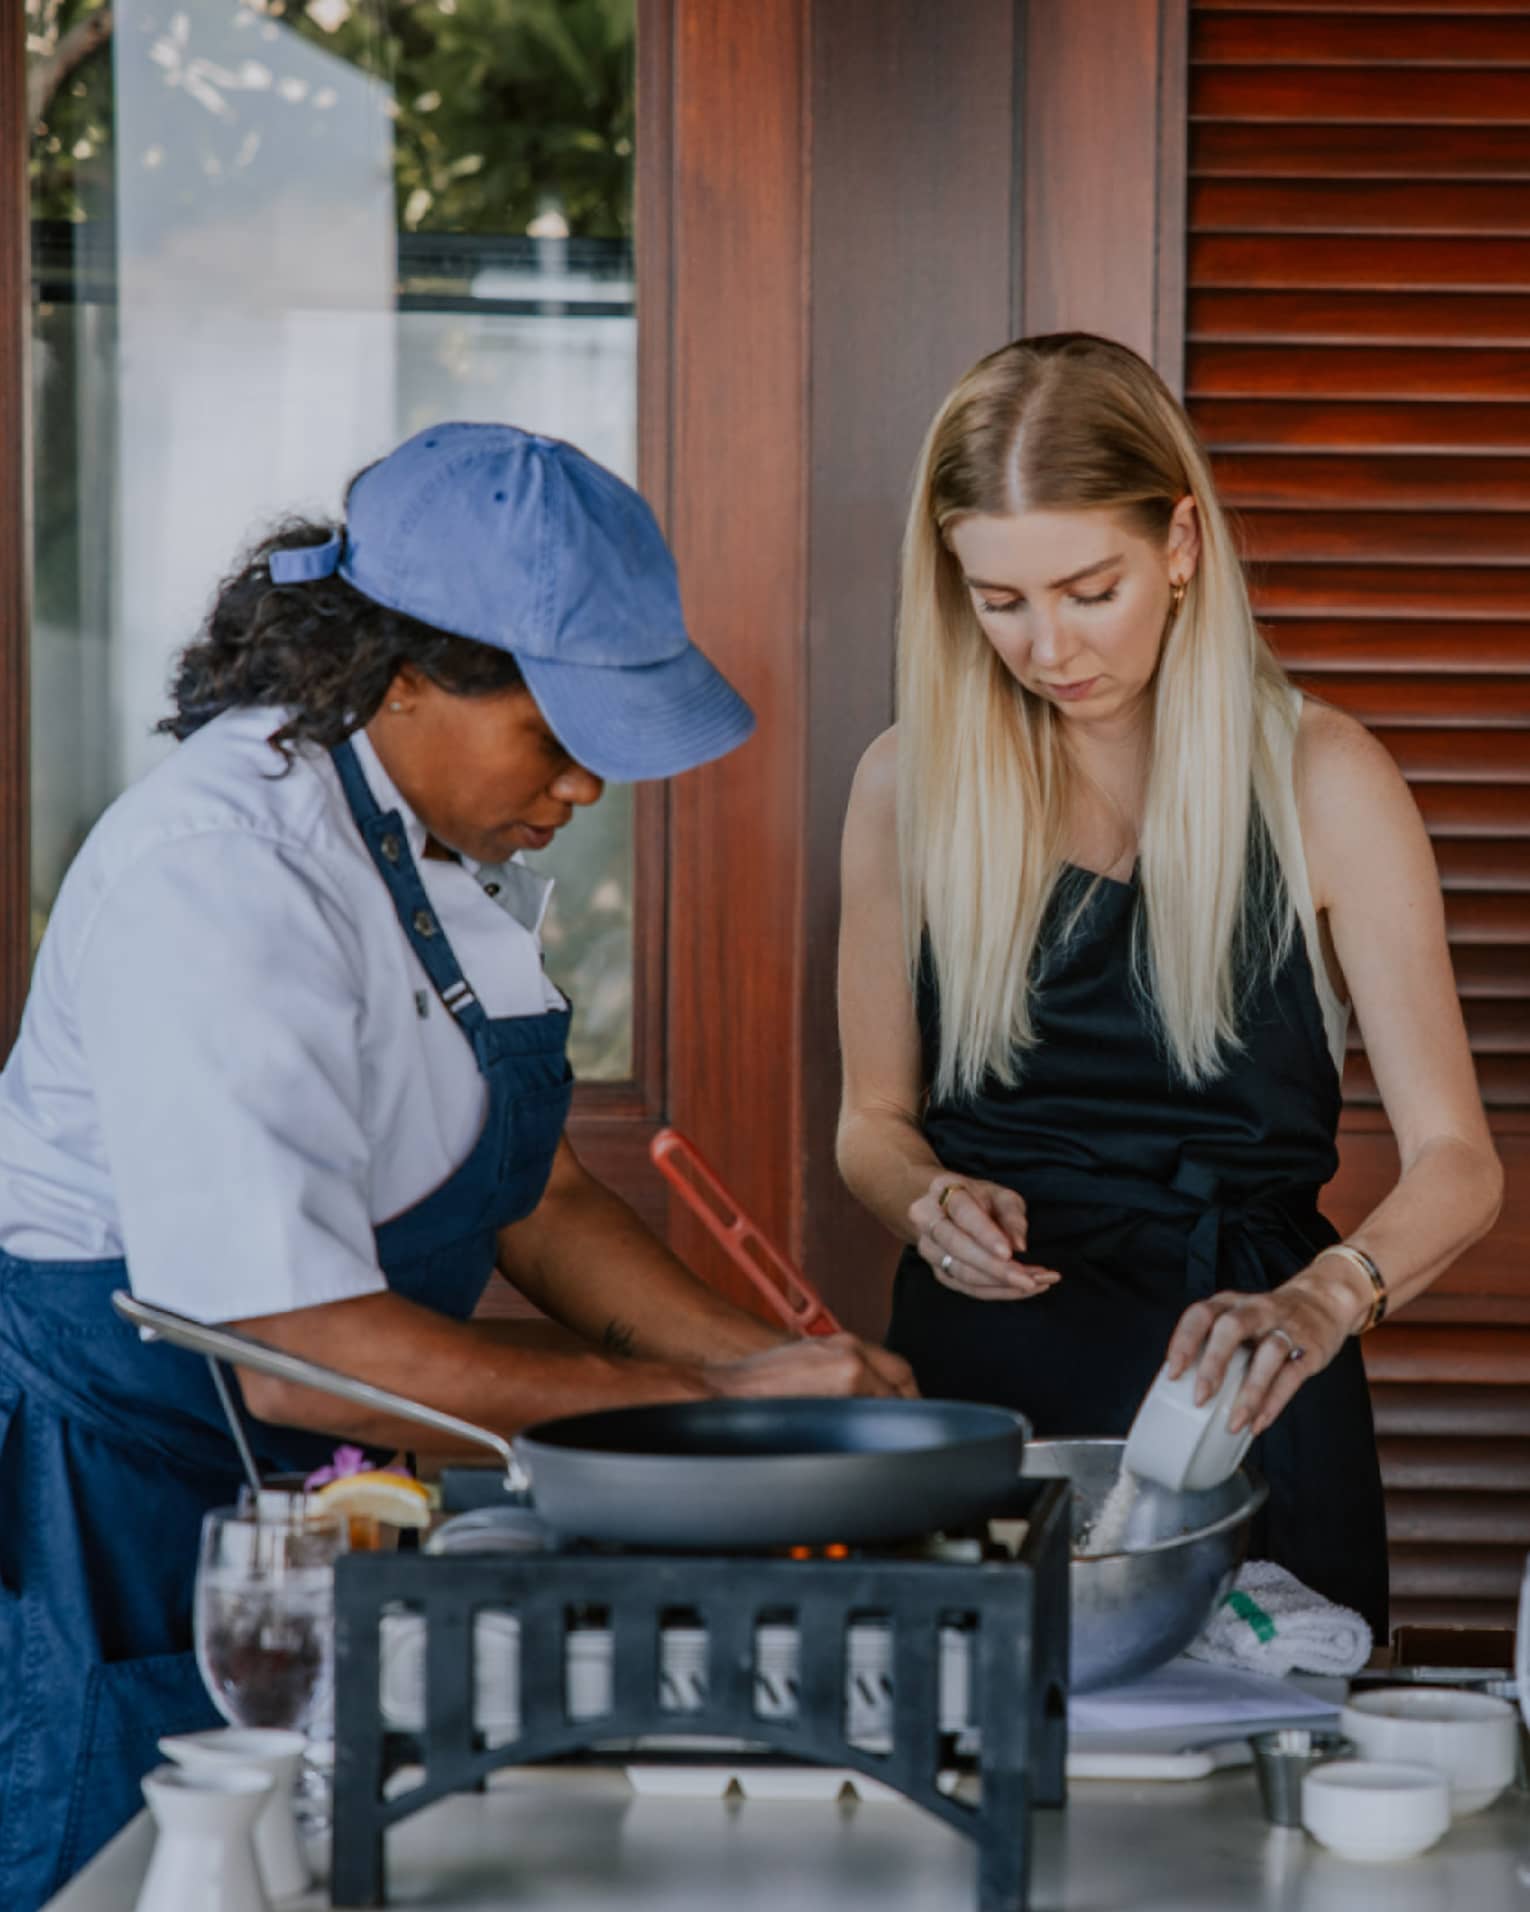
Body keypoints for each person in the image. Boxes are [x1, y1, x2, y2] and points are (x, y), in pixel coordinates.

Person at [0, 422, 913, 1906]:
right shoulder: (222, 877)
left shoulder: (420, 851)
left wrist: (771, 1367)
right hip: (115, 1502)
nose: (586, 787)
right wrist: (709, 1412)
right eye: (555, 736)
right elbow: (290, 1351)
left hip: (298, 1498)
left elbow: (530, 1193)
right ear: (402, 675)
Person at [836, 334, 1502, 1635]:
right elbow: (870, 1125)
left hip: (1244, 1380)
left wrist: (1326, 1296)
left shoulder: (1323, 778)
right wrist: (924, 1200)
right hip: (984, 1387)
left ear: (1180, 545)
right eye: (998, 599)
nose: (1043, 646)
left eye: (1089, 590)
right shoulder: (901, 785)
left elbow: (1457, 1162)